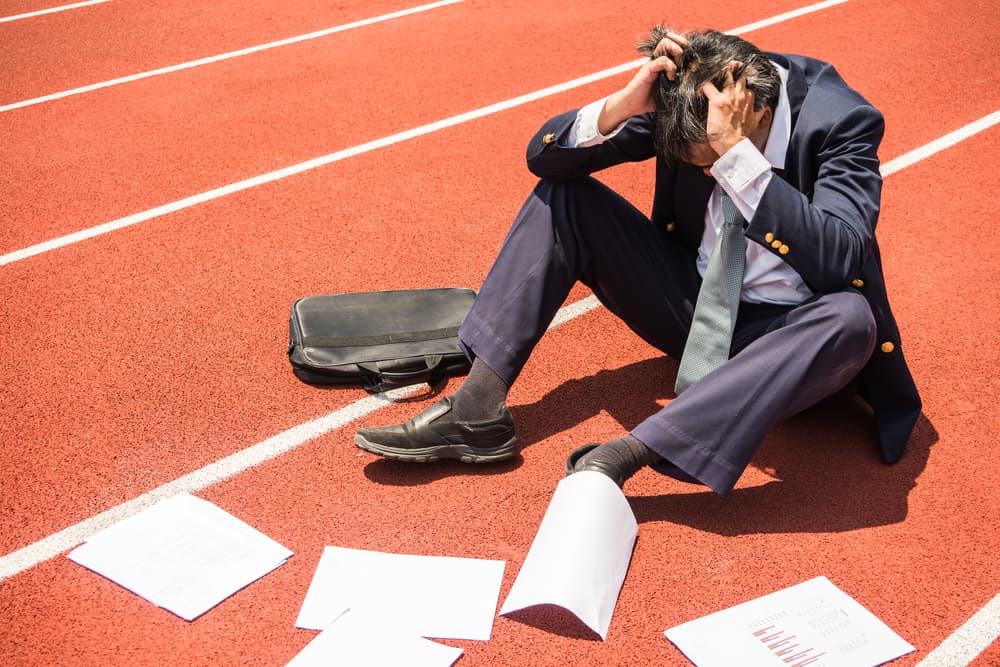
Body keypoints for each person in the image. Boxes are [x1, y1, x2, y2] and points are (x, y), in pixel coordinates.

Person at [354, 27, 921, 494]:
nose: (706, 175)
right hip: (694, 307)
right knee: (566, 198)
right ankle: (476, 410)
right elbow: (545, 161)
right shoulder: (693, 97)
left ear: (755, 111)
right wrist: (624, 105)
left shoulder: (840, 122)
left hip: (786, 339)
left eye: (710, 162)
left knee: (851, 320)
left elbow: (843, 254)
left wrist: (736, 158)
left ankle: (629, 454)